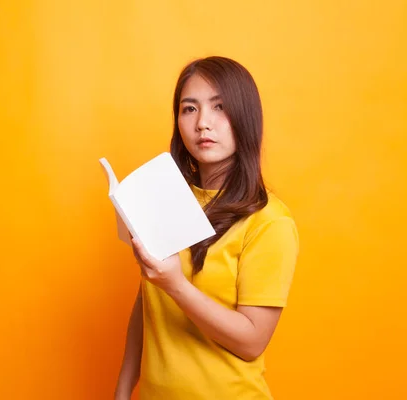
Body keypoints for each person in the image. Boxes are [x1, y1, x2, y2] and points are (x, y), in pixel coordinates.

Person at [114, 56, 300, 400]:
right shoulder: (164, 197)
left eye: (220, 108)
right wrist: (125, 387)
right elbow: (150, 302)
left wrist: (176, 286)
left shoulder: (269, 221)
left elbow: (251, 341)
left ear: (246, 118)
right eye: (189, 109)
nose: (203, 123)